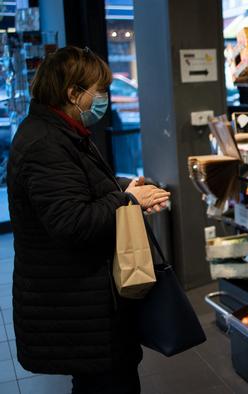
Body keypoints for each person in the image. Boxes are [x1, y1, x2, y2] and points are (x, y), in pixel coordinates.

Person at [7, 46, 170, 393]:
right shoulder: (45, 143)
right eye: (100, 90)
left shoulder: (60, 132)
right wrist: (128, 200)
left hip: (84, 301)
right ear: (73, 93)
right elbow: (71, 223)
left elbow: (78, 197)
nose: (105, 98)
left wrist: (129, 195)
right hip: (77, 304)